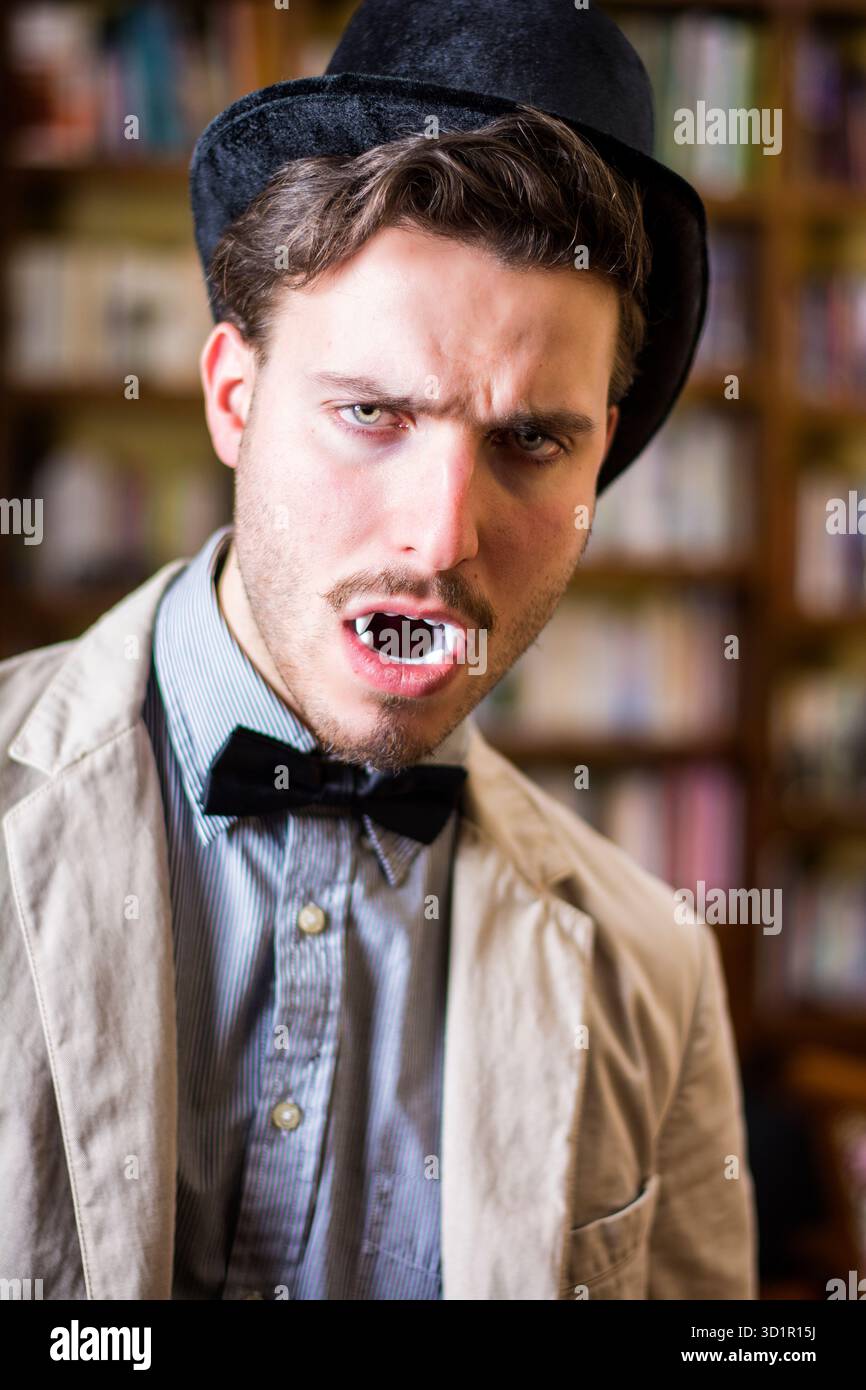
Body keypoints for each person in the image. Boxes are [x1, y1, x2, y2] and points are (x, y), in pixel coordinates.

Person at [0, 0, 757, 1299]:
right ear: (233, 396)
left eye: (531, 443)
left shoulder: (654, 969)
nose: (440, 534)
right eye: (369, 413)